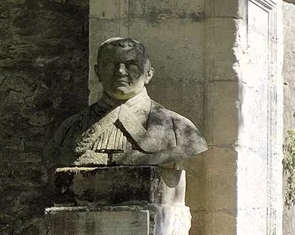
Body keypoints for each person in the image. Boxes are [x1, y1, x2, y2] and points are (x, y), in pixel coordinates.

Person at [46, 37, 207, 169]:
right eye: (110, 64)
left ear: (148, 74)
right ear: (98, 72)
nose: (121, 72)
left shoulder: (180, 129)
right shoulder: (69, 130)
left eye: (131, 65)